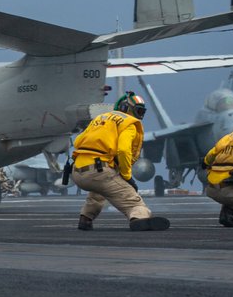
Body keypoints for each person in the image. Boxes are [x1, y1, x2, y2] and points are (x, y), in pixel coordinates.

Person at [70, 92, 169, 231]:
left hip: (77, 172)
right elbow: (123, 150)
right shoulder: (129, 123)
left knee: (99, 190)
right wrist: (127, 176)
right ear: (127, 108)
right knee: (135, 203)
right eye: (138, 110)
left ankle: (85, 218)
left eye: (142, 111)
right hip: (99, 171)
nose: (140, 115)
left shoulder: (100, 118)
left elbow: (78, 141)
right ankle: (139, 219)